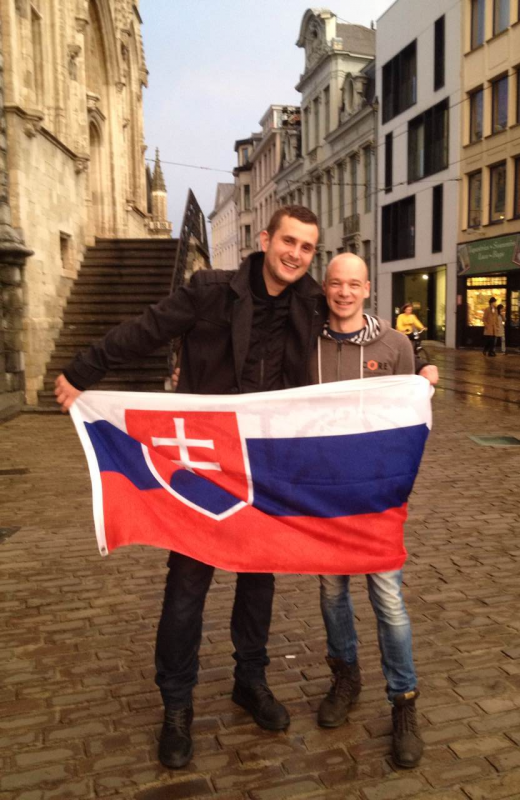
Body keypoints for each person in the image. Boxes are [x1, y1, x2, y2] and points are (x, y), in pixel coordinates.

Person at [54, 205, 327, 770]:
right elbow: (146, 329)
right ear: (265, 239)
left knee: (258, 581)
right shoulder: (210, 290)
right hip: (201, 466)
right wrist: (83, 370)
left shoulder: (311, 300)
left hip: (265, 467)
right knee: (186, 587)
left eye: (306, 247)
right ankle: (176, 706)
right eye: (289, 241)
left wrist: (412, 367)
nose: (296, 254)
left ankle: (249, 681)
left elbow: (354, 336)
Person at [310, 253, 438, 770]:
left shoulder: (395, 344)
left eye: (353, 284)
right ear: (326, 288)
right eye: (336, 283)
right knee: (331, 591)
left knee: (388, 600)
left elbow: (409, 419)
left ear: (367, 289)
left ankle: (403, 702)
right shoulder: (306, 341)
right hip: (322, 495)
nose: (344, 292)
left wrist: (423, 376)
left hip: (377, 496)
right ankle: (345, 676)